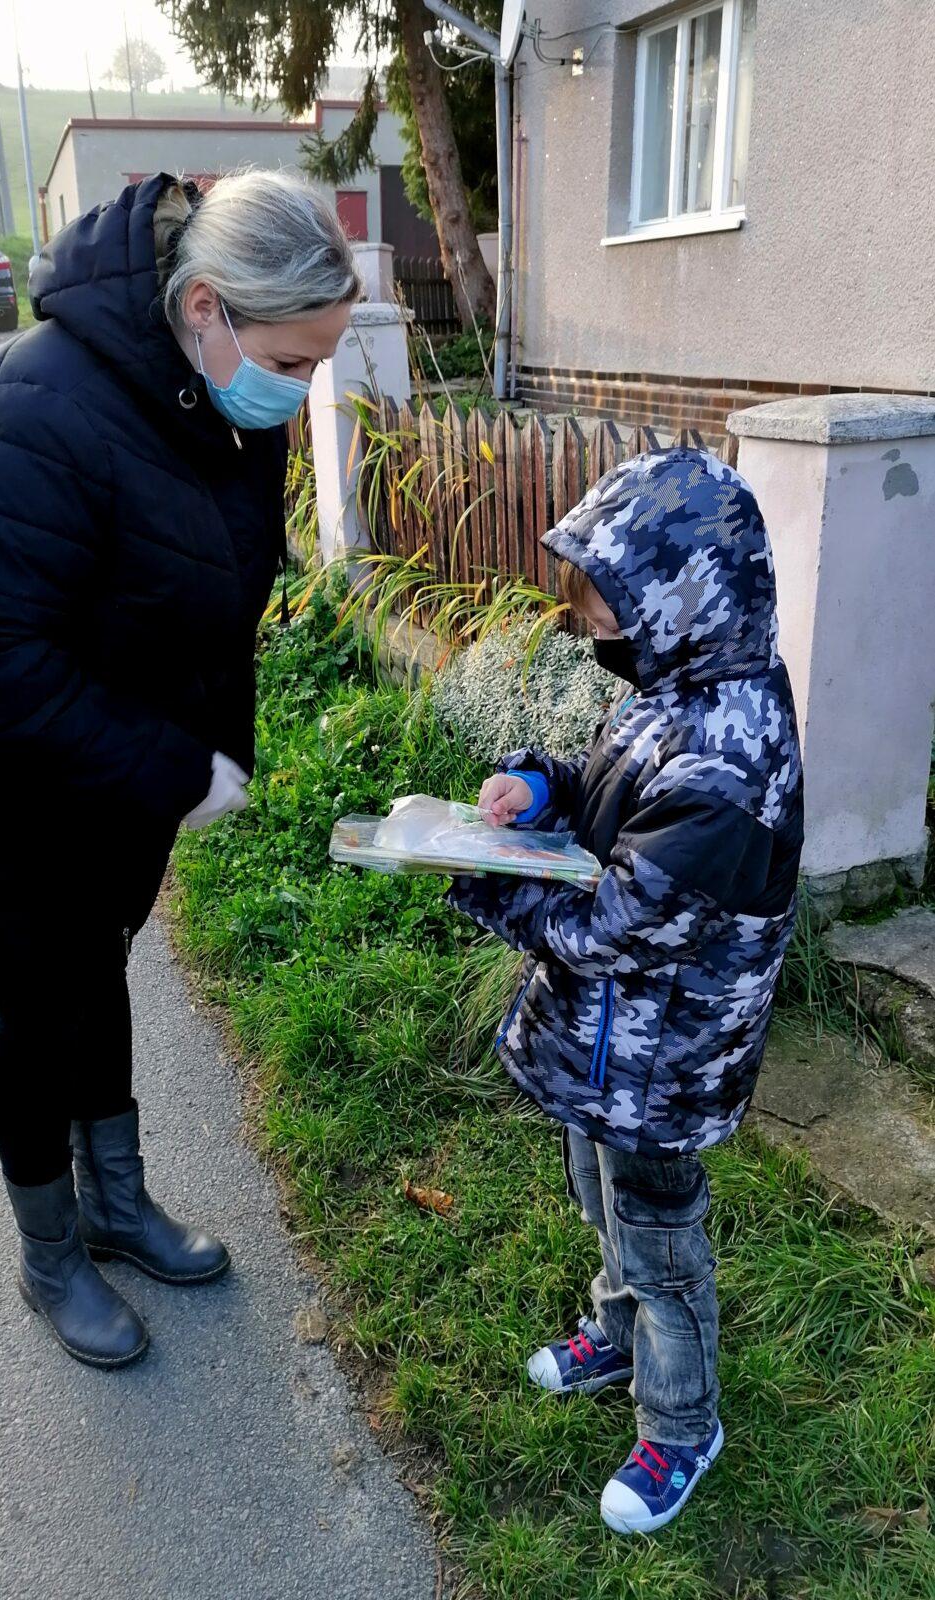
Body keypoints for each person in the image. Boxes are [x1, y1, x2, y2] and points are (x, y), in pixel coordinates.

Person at [0, 170, 361, 1369]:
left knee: (97, 963)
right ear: (207, 306)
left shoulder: (219, 400)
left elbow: (213, 592)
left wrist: (213, 750)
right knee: (35, 996)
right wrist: (176, 769)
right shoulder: (27, 411)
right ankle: (51, 1250)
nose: (306, 384)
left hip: (99, 767)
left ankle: (116, 1202)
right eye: (297, 354)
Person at [448, 448, 803, 1534]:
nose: (590, 623)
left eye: (605, 602)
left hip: (660, 1056)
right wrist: (541, 782)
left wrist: (480, 880)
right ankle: (616, 1328)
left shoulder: (728, 766)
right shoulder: (677, 689)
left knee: (658, 1233)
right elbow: (611, 787)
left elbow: (614, 928)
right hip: (611, 1049)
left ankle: (682, 1423)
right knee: (601, 1197)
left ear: (681, 596)